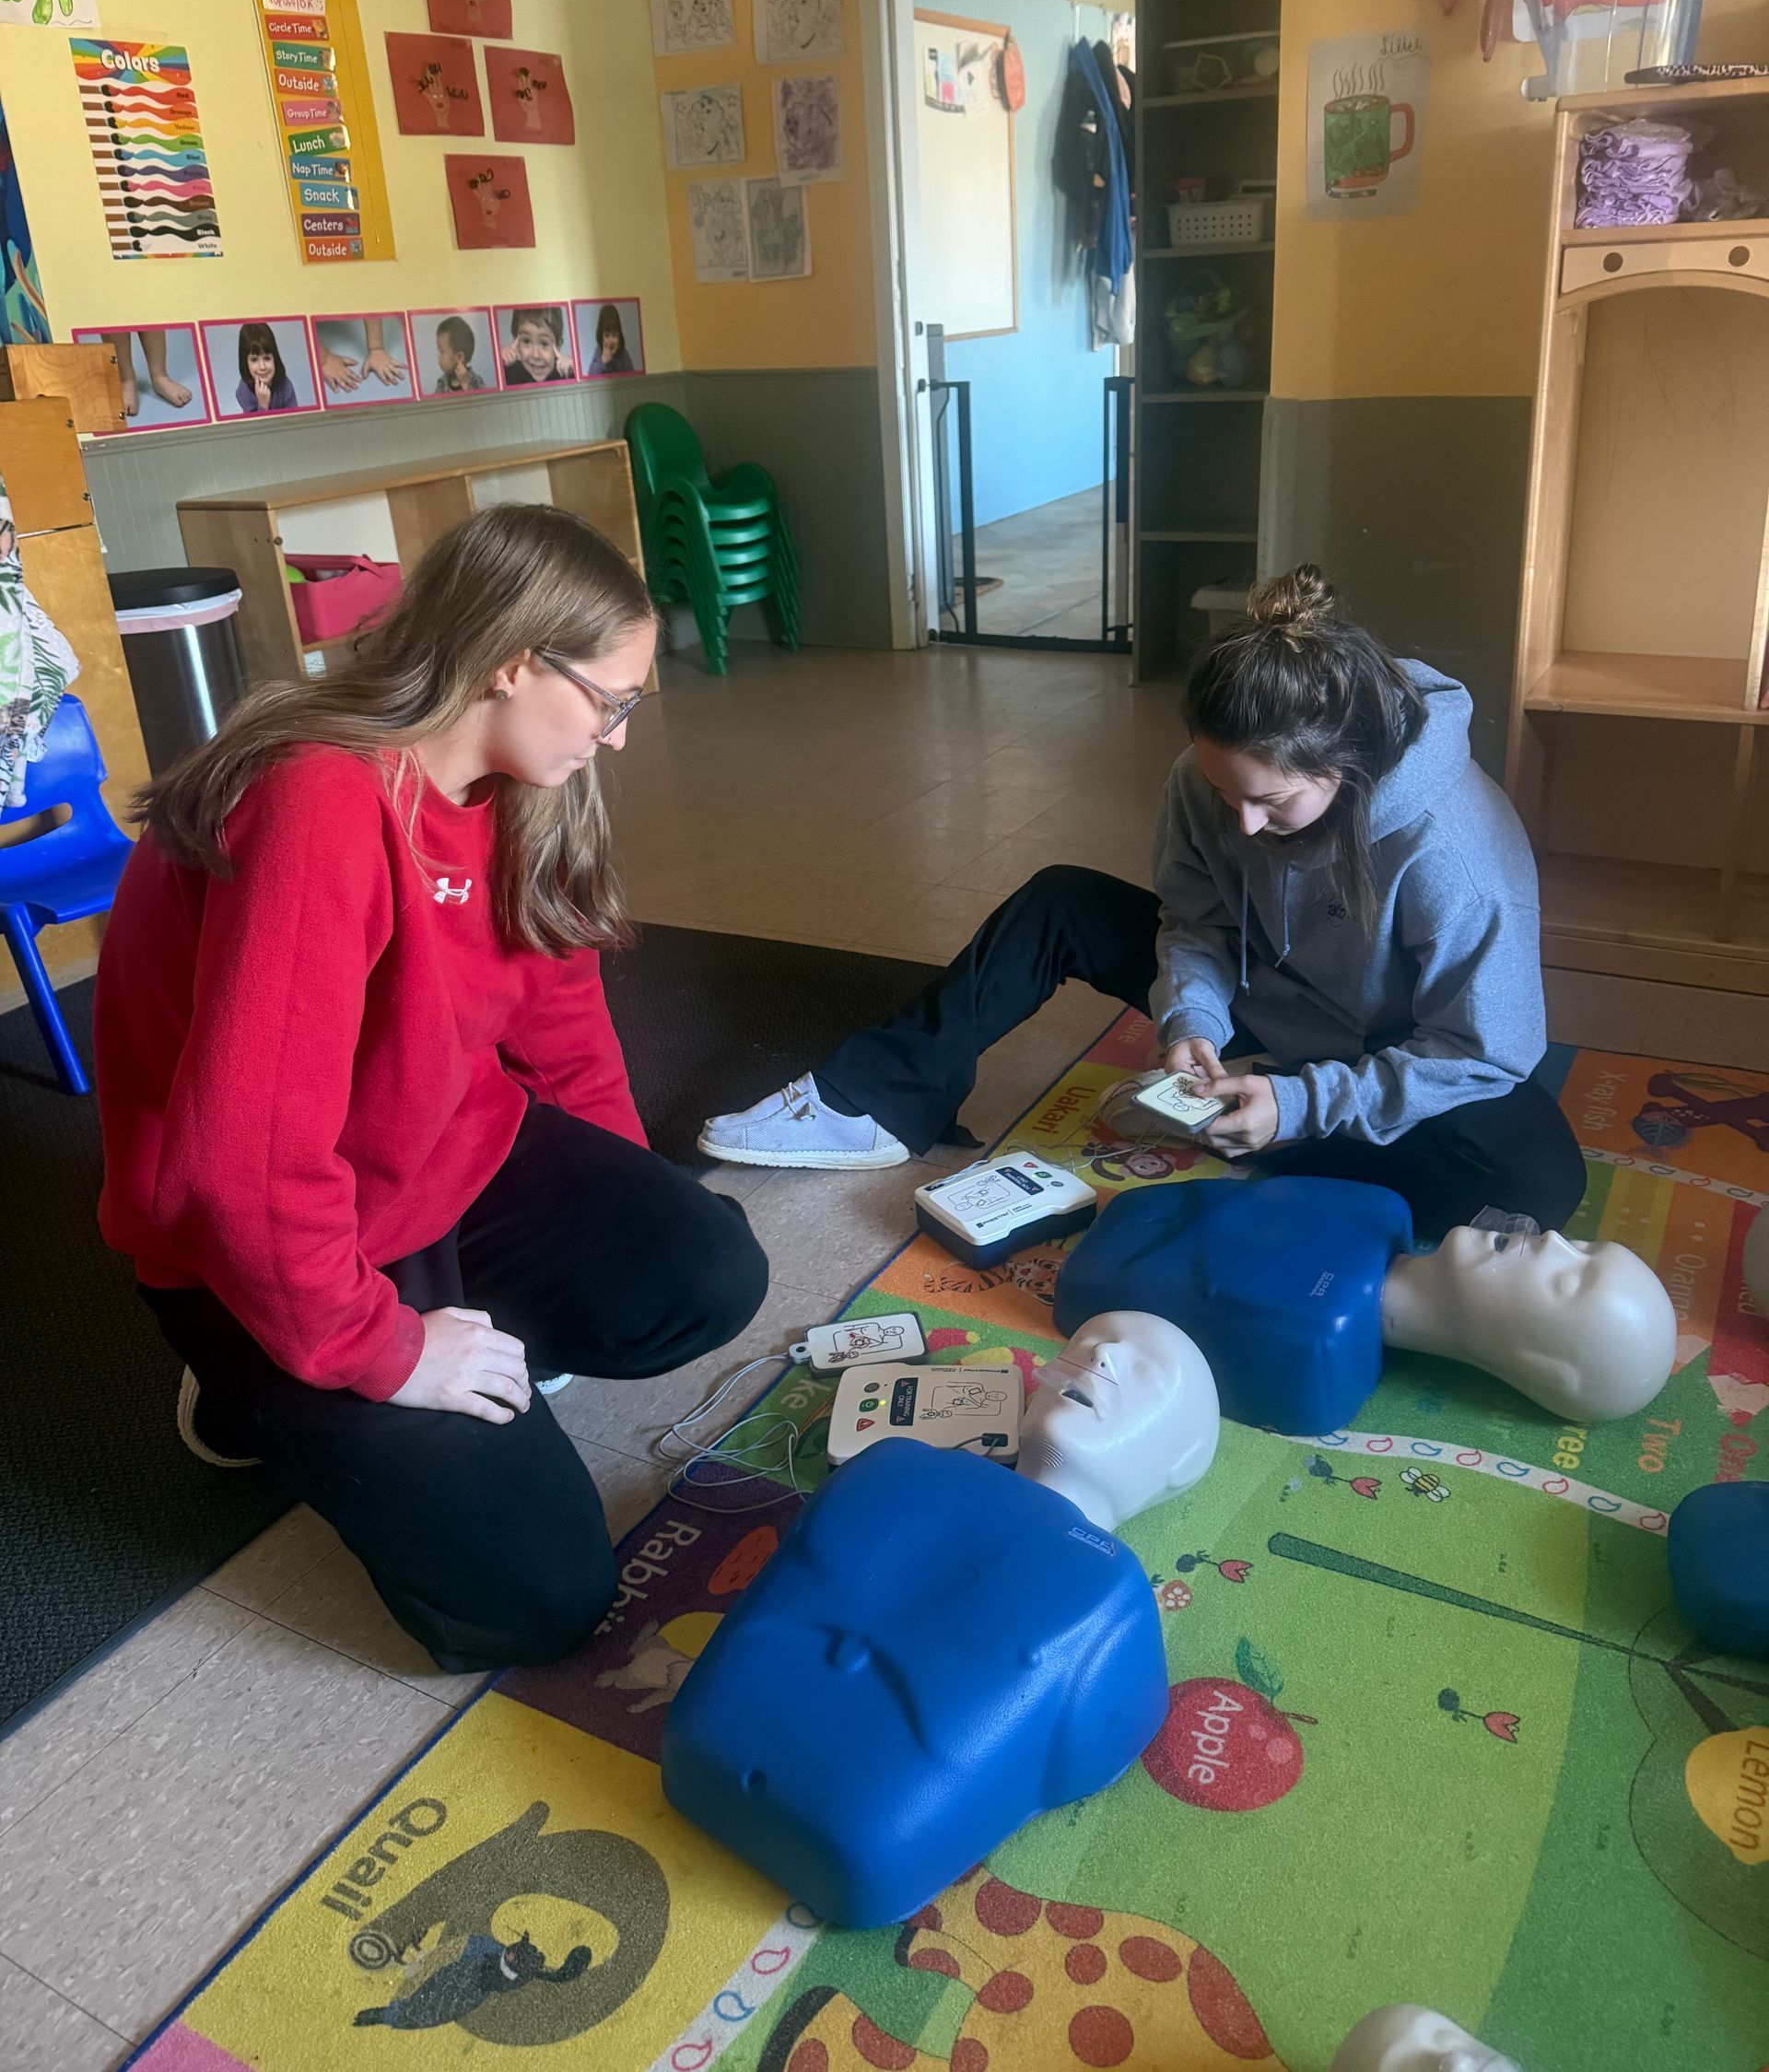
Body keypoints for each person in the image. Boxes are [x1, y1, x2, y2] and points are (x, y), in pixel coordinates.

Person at [95, 506, 767, 1671]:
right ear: (512, 659)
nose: (616, 735)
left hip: (435, 1160)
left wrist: (624, 1195)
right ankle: (250, 1388)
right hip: (269, 1234)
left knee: (705, 1265)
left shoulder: (518, 787)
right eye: (612, 699)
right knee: (544, 1596)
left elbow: (564, 1028)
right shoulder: (320, 799)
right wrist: (387, 1352)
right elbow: (239, 1169)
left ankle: (453, 1352)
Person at [699, 568, 1587, 1245]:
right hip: (1262, 1002)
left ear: (1344, 767)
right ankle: (873, 1100)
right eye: (1222, 788)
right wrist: (1190, 1018)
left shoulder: (1454, 850)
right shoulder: (1210, 781)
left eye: (1272, 804)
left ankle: (1266, 1124)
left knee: (1542, 1182)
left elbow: (1485, 1053)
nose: (1241, 820)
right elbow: (1195, 920)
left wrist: (1305, 1105)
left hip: (1380, 1044)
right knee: (1060, 901)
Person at [234, 321, 299, 414]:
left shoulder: (285, 385)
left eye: (267, 358)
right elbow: (258, 427)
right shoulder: (243, 392)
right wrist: (263, 405)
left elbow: (294, 419)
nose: (262, 367)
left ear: (275, 359)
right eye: (254, 360)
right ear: (245, 363)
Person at [501, 305, 573, 385]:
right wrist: (500, 363)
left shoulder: (566, 374)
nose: (535, 355)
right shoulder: (510, 372)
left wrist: (573, 374)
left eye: (544, 344)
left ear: (558, 345)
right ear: (516, 342)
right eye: (526, 341)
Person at [434, 312, 486, 393]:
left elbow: (482, 403)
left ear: (459, 357)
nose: (438, 356)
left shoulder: (476, 380)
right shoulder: (442, 383)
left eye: (442, 352)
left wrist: (465, 385)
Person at [585, 302, 636, 377]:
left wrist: (614, 360)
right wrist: (603, 360)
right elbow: (591, 376)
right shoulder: (599, 351)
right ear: (601, 336)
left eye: (614, 335)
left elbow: (632, 376)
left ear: (619, 336)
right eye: (607, 335)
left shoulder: (623, 353)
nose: (611, 340)